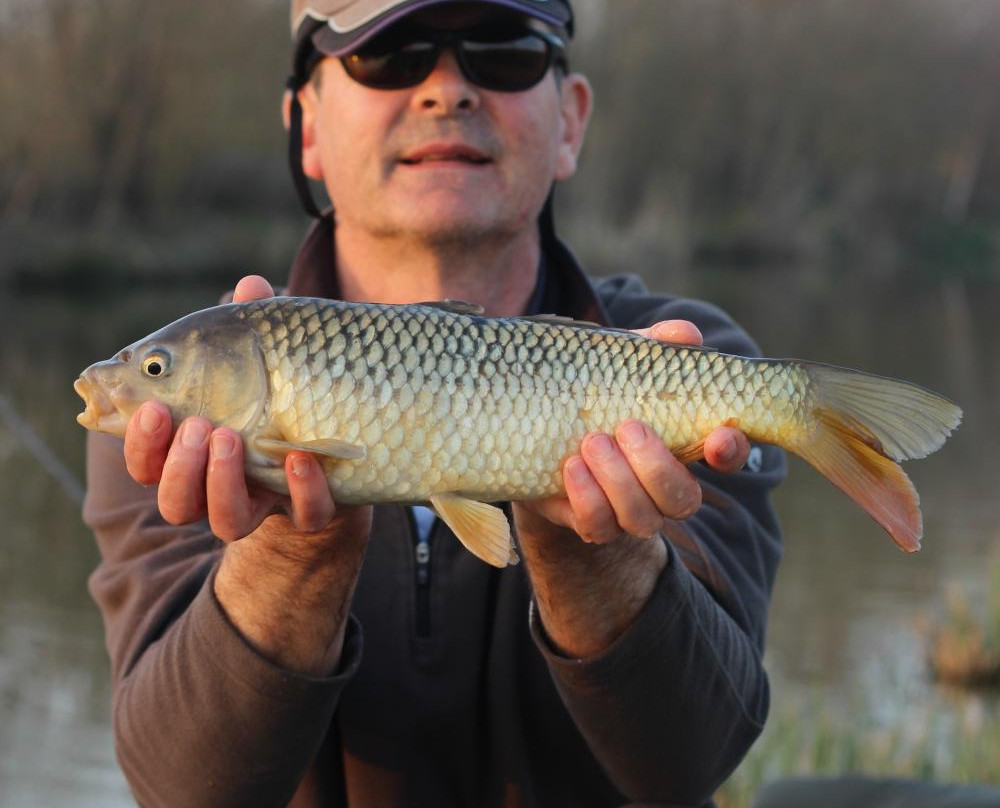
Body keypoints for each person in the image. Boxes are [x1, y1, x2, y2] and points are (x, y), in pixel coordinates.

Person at [83, 2, 786, 806]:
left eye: (504, 51)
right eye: (390, 54)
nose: (446, 90)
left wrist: (598, 555)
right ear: (306, 125)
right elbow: (183, 792)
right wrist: (289, 556)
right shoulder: (171, 418)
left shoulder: (687, 362)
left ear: (571, 121)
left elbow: (695, 761)